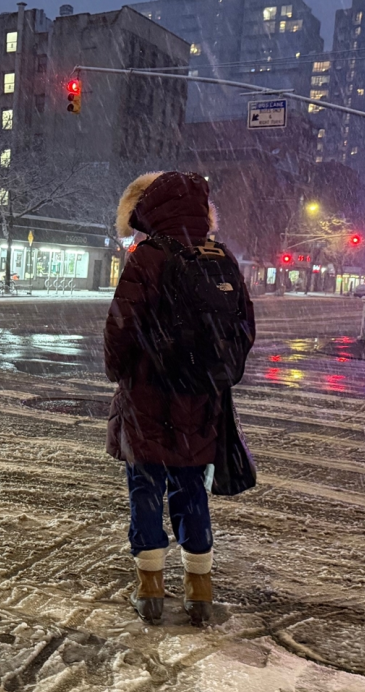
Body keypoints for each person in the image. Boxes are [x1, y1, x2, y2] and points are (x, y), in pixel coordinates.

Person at [105, 171, 254, 627]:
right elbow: (244, 330)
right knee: (191, 489)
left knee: (145, 488)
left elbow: (119, 332)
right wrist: (209, 373)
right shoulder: (219, 257)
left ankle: (150, 588)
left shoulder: (147, 258)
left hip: (148, 398)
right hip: (200, 400)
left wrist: (123, 373)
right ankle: (199, 589)